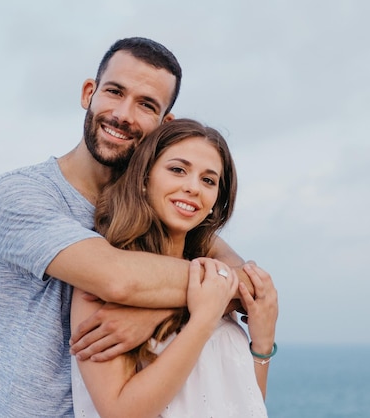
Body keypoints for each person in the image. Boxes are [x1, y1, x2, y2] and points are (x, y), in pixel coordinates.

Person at [0, 37, 275, 417]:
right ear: (89, 92)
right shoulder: (24, 194)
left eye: (146, 105)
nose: (123, 114)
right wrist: (198, 300)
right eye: (115, 92)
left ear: (163, 125)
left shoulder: (163, 217)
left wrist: (151, 316)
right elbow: (118, 280)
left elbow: (246, 282)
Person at [71, 118, 277, 417]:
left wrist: (262, 345)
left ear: (215, 202)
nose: (193, 187)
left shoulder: (214, 278)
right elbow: (119, 412)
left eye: (208, 180)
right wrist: (202, 320)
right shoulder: (103, 284)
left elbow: (245, 399)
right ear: (144, 179)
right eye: (178, 170)